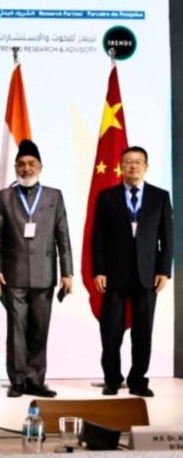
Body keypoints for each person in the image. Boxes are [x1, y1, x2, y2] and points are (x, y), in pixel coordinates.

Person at [0, 139, 73, 398]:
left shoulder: (54, 196)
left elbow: (63, 236)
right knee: (16, 329)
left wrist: (67, 272)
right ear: (16, 167)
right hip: (13, 275)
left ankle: (35, 380)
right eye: (22, 164)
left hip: (44, 274)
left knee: (40, 328)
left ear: (40, 166)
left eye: (31, 163)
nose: (26, 168)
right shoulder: (4, 197)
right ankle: (17, 381)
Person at [91, 146, 172, 397]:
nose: (133, 166)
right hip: (114, 273)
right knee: (111, 331)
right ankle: (112, 379)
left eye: (138, 162)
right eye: (128, 162)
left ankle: (138, 381)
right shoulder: (107, 197)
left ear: (146, 166)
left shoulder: (160, 196)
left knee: (143, 331)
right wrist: (99, 270)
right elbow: (98, 237)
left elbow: (167, 237)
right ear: (121, 166)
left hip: (147, 273)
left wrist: (164, 270)